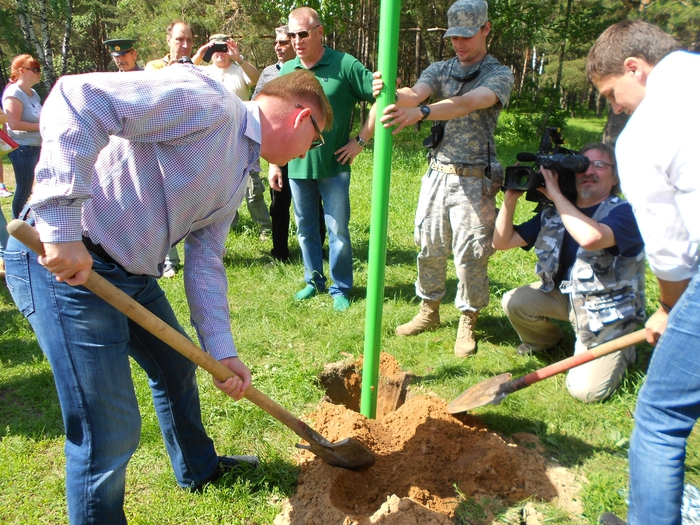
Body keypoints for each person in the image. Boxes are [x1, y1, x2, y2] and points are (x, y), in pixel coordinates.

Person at [3, 66, 331, 525]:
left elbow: (204, 262)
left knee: (177, 367)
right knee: (109, 428)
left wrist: (221, 351)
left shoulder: (239, 171)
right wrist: (59, 226)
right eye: (314, 142)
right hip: (68, 266)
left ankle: (199, 469)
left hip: (130, 274)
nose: (305, 153)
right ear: (301, 119)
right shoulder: (208, 105)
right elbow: (79, 97)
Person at [586, 20, 699, 525]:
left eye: (612, 92)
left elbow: (672, 256)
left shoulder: (646, 132)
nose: (615, 106)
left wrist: (670, 309)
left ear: (635, 67)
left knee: (660, 419)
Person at [376, 0, 514, 356]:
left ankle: (468, 320)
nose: (460, 43)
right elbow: (414, 93)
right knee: (428, 246)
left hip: (474, 179)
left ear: (486, 30)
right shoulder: (440, 68)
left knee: (471, 253)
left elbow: (468, 103)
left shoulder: (499, 74)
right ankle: (429, 311)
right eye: (454, 36)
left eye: (467, 35)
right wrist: (389, 90)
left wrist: (421, 113)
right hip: (438, 174)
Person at [492, 143, 646, 402]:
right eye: (583, 165)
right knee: (515, 301)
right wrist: (510, 198)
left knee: (585, 392)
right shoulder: (553, 212)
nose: (589, 171)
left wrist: (556, 195)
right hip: (569, 299)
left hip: (608, 310)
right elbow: (501, 242)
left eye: (600, 165)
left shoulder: (624, 212)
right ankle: (546, 341)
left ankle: (624, 345)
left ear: (615, 176)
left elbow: (591, 237)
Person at [270, 6, 375, 311]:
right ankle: (314, 280)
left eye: (303, 34)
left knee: (337, 229)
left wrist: (360, 141)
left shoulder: (344, 65)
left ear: (319, 32)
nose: (297, 40)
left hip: (335, 165)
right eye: (292, 35)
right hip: (298, 166)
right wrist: (275, 162)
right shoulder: (288, 71)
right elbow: (275, 121)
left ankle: (340, 287)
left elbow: (380, 98)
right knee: (305, 227)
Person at [192, 34, 272, 238]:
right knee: (221, 188)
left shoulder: (239, 69)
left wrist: (240, 58)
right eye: (215, 48)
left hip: (244, 136)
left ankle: (264, 227)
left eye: (224, 46)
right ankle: (229, 226)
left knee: (253, 186)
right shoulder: (203, 71)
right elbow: (182, 75)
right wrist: (200, 55)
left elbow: (257, 80)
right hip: (214, 139)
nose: (220, 52)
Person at [145, 20, 196, 276]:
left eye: (188, 40)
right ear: (168, 40)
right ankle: (168, 260)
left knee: (190, 203)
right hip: (161, 146)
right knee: (163, 204)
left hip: (191, 147)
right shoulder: (155, 67)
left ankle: (199, 255)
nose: (184, 45)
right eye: (179, 40)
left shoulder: (199, 68)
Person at [2, 54, 43, 219]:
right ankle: (17, 229)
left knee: (34, 189)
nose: (39, 73)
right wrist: (43, 127)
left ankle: (27, 226)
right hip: (22, 149)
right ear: (21, 71)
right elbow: (14, 124)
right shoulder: (13, 93)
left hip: (35, 147)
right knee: (24, 190)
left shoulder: (33, 93)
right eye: (35, 69)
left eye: (39, 69)